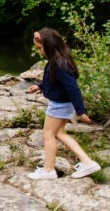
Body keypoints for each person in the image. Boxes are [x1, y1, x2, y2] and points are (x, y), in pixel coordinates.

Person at [26, 28, 101, 180]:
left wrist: (81, 111)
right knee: (59, 133)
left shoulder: (59, 64)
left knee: (48, 134)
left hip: (59, 105)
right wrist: (40, 86)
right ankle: (87, 162)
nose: (40, 51)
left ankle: (48, 170)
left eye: (40, 48)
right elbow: (54, 81)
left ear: (50, 46)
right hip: (62, 104)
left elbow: (72, 88)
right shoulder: (58, 61)